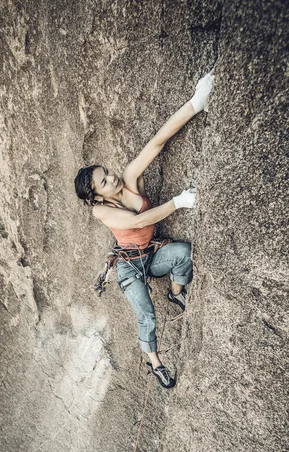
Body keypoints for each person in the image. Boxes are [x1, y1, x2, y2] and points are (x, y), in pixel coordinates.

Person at [74, 72, 215, 388]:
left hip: (151, 257)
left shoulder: (129, 179)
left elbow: (157, 142)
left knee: (183, 254)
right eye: (105, 181)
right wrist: (178, 202)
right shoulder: (101, 210)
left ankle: (175, 292)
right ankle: (156, 364)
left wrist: (195, 103)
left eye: (107, 172)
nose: (113, 177)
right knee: (147, 317)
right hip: (128, 269)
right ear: (97, 195)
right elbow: (138, 222)